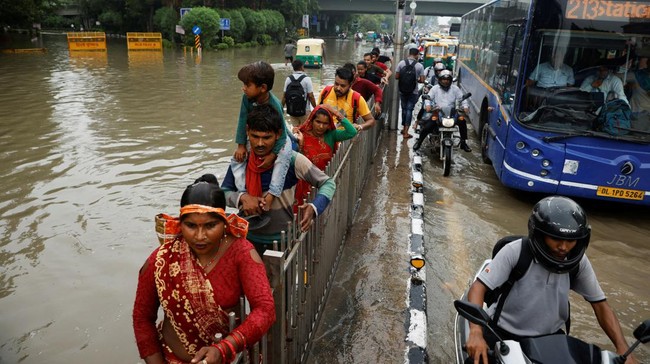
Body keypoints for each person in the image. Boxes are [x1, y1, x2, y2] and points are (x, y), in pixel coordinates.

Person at [464, 196, 638, 364]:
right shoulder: (515, 252)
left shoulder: (579, 263)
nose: (563, 247)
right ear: (539, 234)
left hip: (551, 340)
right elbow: (478, 288)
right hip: (503, 334)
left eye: (571, 241)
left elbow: (600, 305)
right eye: (556, 238)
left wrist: (623, 348)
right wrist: (476, 331)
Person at [133, 174, 275, 364]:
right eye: (191, 225)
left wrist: (226, 347)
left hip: (231, 358)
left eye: (210, 225)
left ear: (224, 223)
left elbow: (265, 309)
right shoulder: (162, 259)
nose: (200, 236)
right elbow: (142, 317)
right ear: (180, 223)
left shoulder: (240, 253)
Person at [222, 104, 337, 255]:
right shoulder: (241, 159)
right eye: (255, 136)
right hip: (247, 238)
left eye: (266, 137)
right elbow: (223, 193)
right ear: (247, 132)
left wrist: (314, 207)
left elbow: (328, 183)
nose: (260, 144)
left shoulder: (291, 160)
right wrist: (241, 198)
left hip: (283, 241)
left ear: (278, 134)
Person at [232, 61, 294, 214]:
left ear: (263, 88)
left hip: (279, 136)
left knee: (284, 156)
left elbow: (282, 134)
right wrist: (240, 145)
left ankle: (272, 193)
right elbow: (242, 120)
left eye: (247, 85)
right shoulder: (246, 99)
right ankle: (243, 192)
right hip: (260, 134)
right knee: (236, 158)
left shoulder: (275, 105)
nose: (243, 88)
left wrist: (273, 155)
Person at [292, 104, 357, 211]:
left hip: (323, 182)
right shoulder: (300, 135)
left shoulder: (331, 135)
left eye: (325, 123)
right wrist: (300, 144)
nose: (321, 126)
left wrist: (337, 114)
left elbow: (352, 132)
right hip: (303, 182)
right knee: (301, 212)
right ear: (311, 121)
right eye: (318, 122)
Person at [413, 70, 472, 152]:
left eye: (447, 80)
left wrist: (465, 107)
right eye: (444, 79)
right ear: (440, 80)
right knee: (427, 126)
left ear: (450, 80)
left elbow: (462, 99)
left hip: (452, 113)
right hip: (438, 112)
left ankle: (463, 142)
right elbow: (428, 98)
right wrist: (428, 105)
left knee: (462, 121)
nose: (446, 81)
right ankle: (419, 142)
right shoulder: (435, 88)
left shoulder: (455, 89)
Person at [318, 66, 376, 131]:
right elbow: (316, 113)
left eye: (343, 86)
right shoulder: (326, 92)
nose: (338, 88)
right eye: (336, 84)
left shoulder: (356, 98)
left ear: (350, 85)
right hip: (325, 135)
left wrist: (360, 126)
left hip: (345, 138)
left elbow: (371, 120)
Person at [395, 47, 425, 138]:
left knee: (404, 109)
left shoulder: (401, 63)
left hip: (402, 90)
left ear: (409, 54)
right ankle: (406, 132)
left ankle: (403, 128)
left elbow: (396, 76)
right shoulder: (419, 66)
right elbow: (422, 80)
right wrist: (416, 80)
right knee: (409, 110)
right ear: (417, 55)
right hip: (413, 91)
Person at [282, 59, 317, 126]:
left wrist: (281, 109)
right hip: (305, 110)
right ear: (301, 67)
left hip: (292, 110)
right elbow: (311, 96)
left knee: (296, 131)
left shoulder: (288, 79)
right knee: (305, 131)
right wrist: (315, 108)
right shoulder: (307, 79)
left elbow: (284, 96)